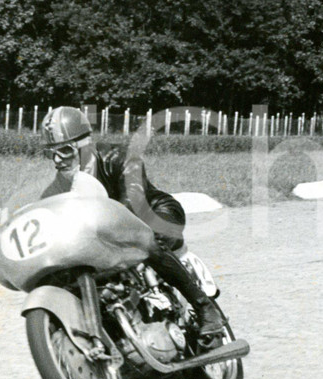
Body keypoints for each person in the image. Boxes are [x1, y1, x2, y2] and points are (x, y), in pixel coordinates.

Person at [40, 106, 226, 339]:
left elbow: (132, 200)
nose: (57, 159)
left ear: (85, 144)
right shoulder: (60, 186)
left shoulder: (119, 157)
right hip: (107, 235)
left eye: (65, 150)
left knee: (148, 240)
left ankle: (204, 308)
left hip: (154, 213)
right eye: (50, 153)